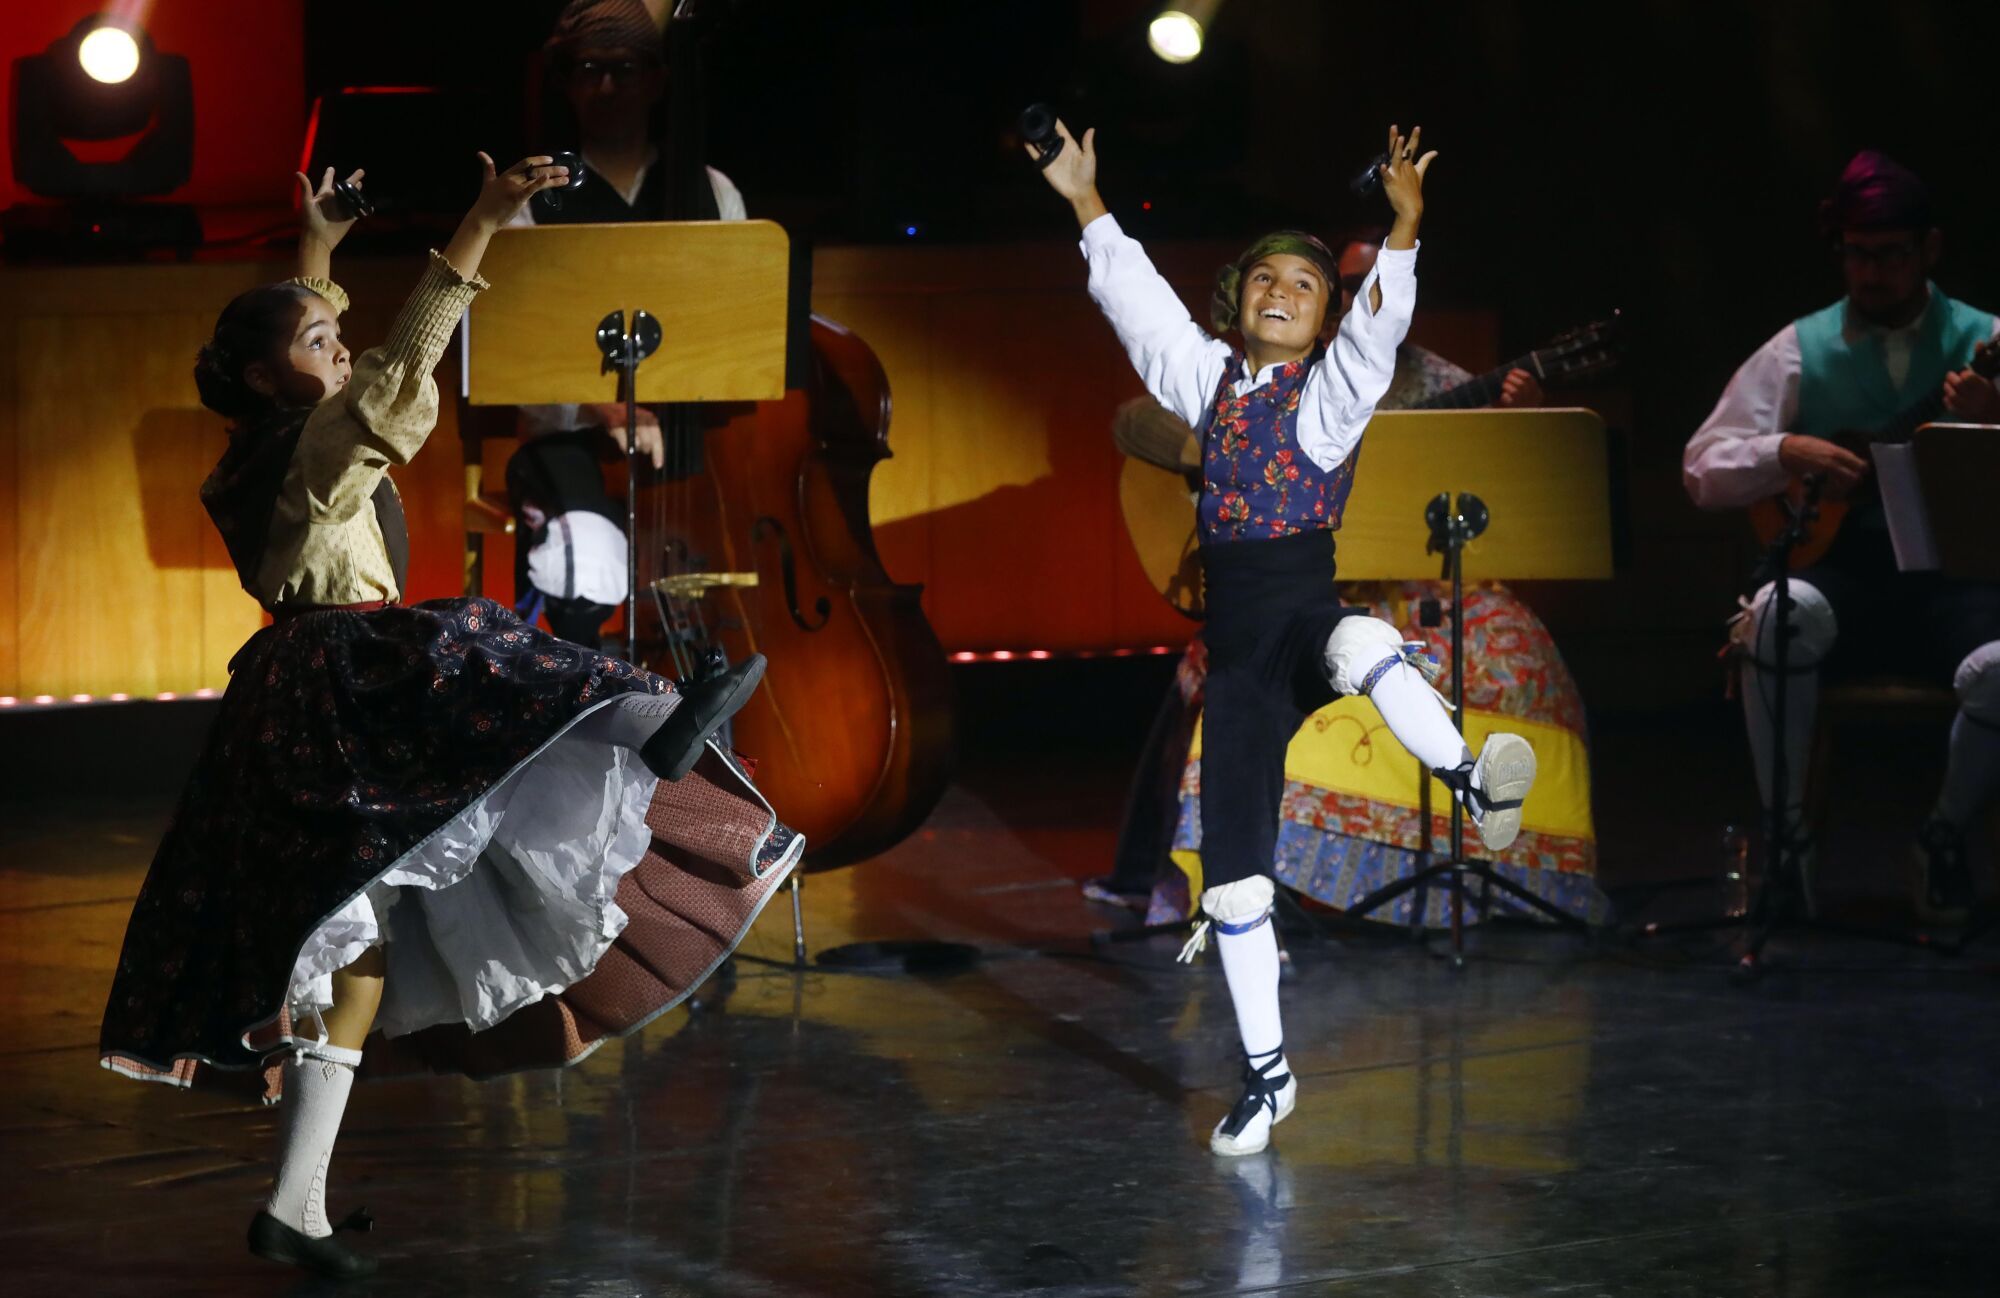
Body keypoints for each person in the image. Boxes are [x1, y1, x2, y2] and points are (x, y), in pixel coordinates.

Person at [97, 155, 790, 1280]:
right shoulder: (312, 449)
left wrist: (314, 248)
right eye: (321, 340)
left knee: (365, 937)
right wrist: (475, 222)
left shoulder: (261, 440)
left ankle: (296, 1207)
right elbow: (394, 363)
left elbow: (299, 341)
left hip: (299, 683)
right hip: (336, 675)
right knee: (485, 664)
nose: (340, 341)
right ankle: (650, 722)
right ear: (276, 377)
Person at [1032, 119, 1539, 1156]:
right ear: (1237, 299)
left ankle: (1471, 780)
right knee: (1232, 880)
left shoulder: (1331, 397)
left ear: (1322, 317)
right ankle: (1266, 1076)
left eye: (1302, 287)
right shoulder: (1204, 383)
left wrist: (1402, 227)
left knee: (1359, 642)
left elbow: (1376, 335)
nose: (1278, 294)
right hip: (1238, 656)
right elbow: (1134, 305)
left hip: (1303, 615)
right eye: (1263, 280)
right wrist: (1085, 199)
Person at [1102, 234, 1604, 931]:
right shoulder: (1260, 371)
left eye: (1376, 278)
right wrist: (1229, 450)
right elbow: (1132, 419)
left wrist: (1520, 409)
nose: (1364, 290)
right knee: (1210, 667)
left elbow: (1509, 485)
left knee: (1521, 659)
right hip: (1312, 586)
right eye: (1350, 279)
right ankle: (1214, 880)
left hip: (1416, 576)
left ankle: (1490, 823)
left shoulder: (1439, 379)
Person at [1684, 150, 2000, 925]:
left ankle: (1944, 837)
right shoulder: (1800, 346)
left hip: (1958, 579)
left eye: (1891, 254)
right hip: (1845, 571)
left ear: (1929, 249)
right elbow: (1701, 467)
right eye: (1858, 253)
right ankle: (1788, 842)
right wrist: (1783, 451)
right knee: (1772, 617)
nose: (1872, 272)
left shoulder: (1986, 339)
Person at [505, 0, 749, 646]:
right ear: (566, 82)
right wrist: (603, 408)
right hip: (571, 441)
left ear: (658, 80)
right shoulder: (532, 200)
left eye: (626, 69)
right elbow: (511, 347)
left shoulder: (711, 190)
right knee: (584, 561)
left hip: (691, 440)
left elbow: (739, 329)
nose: (608, 86)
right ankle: (580, 718)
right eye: (589, 69)